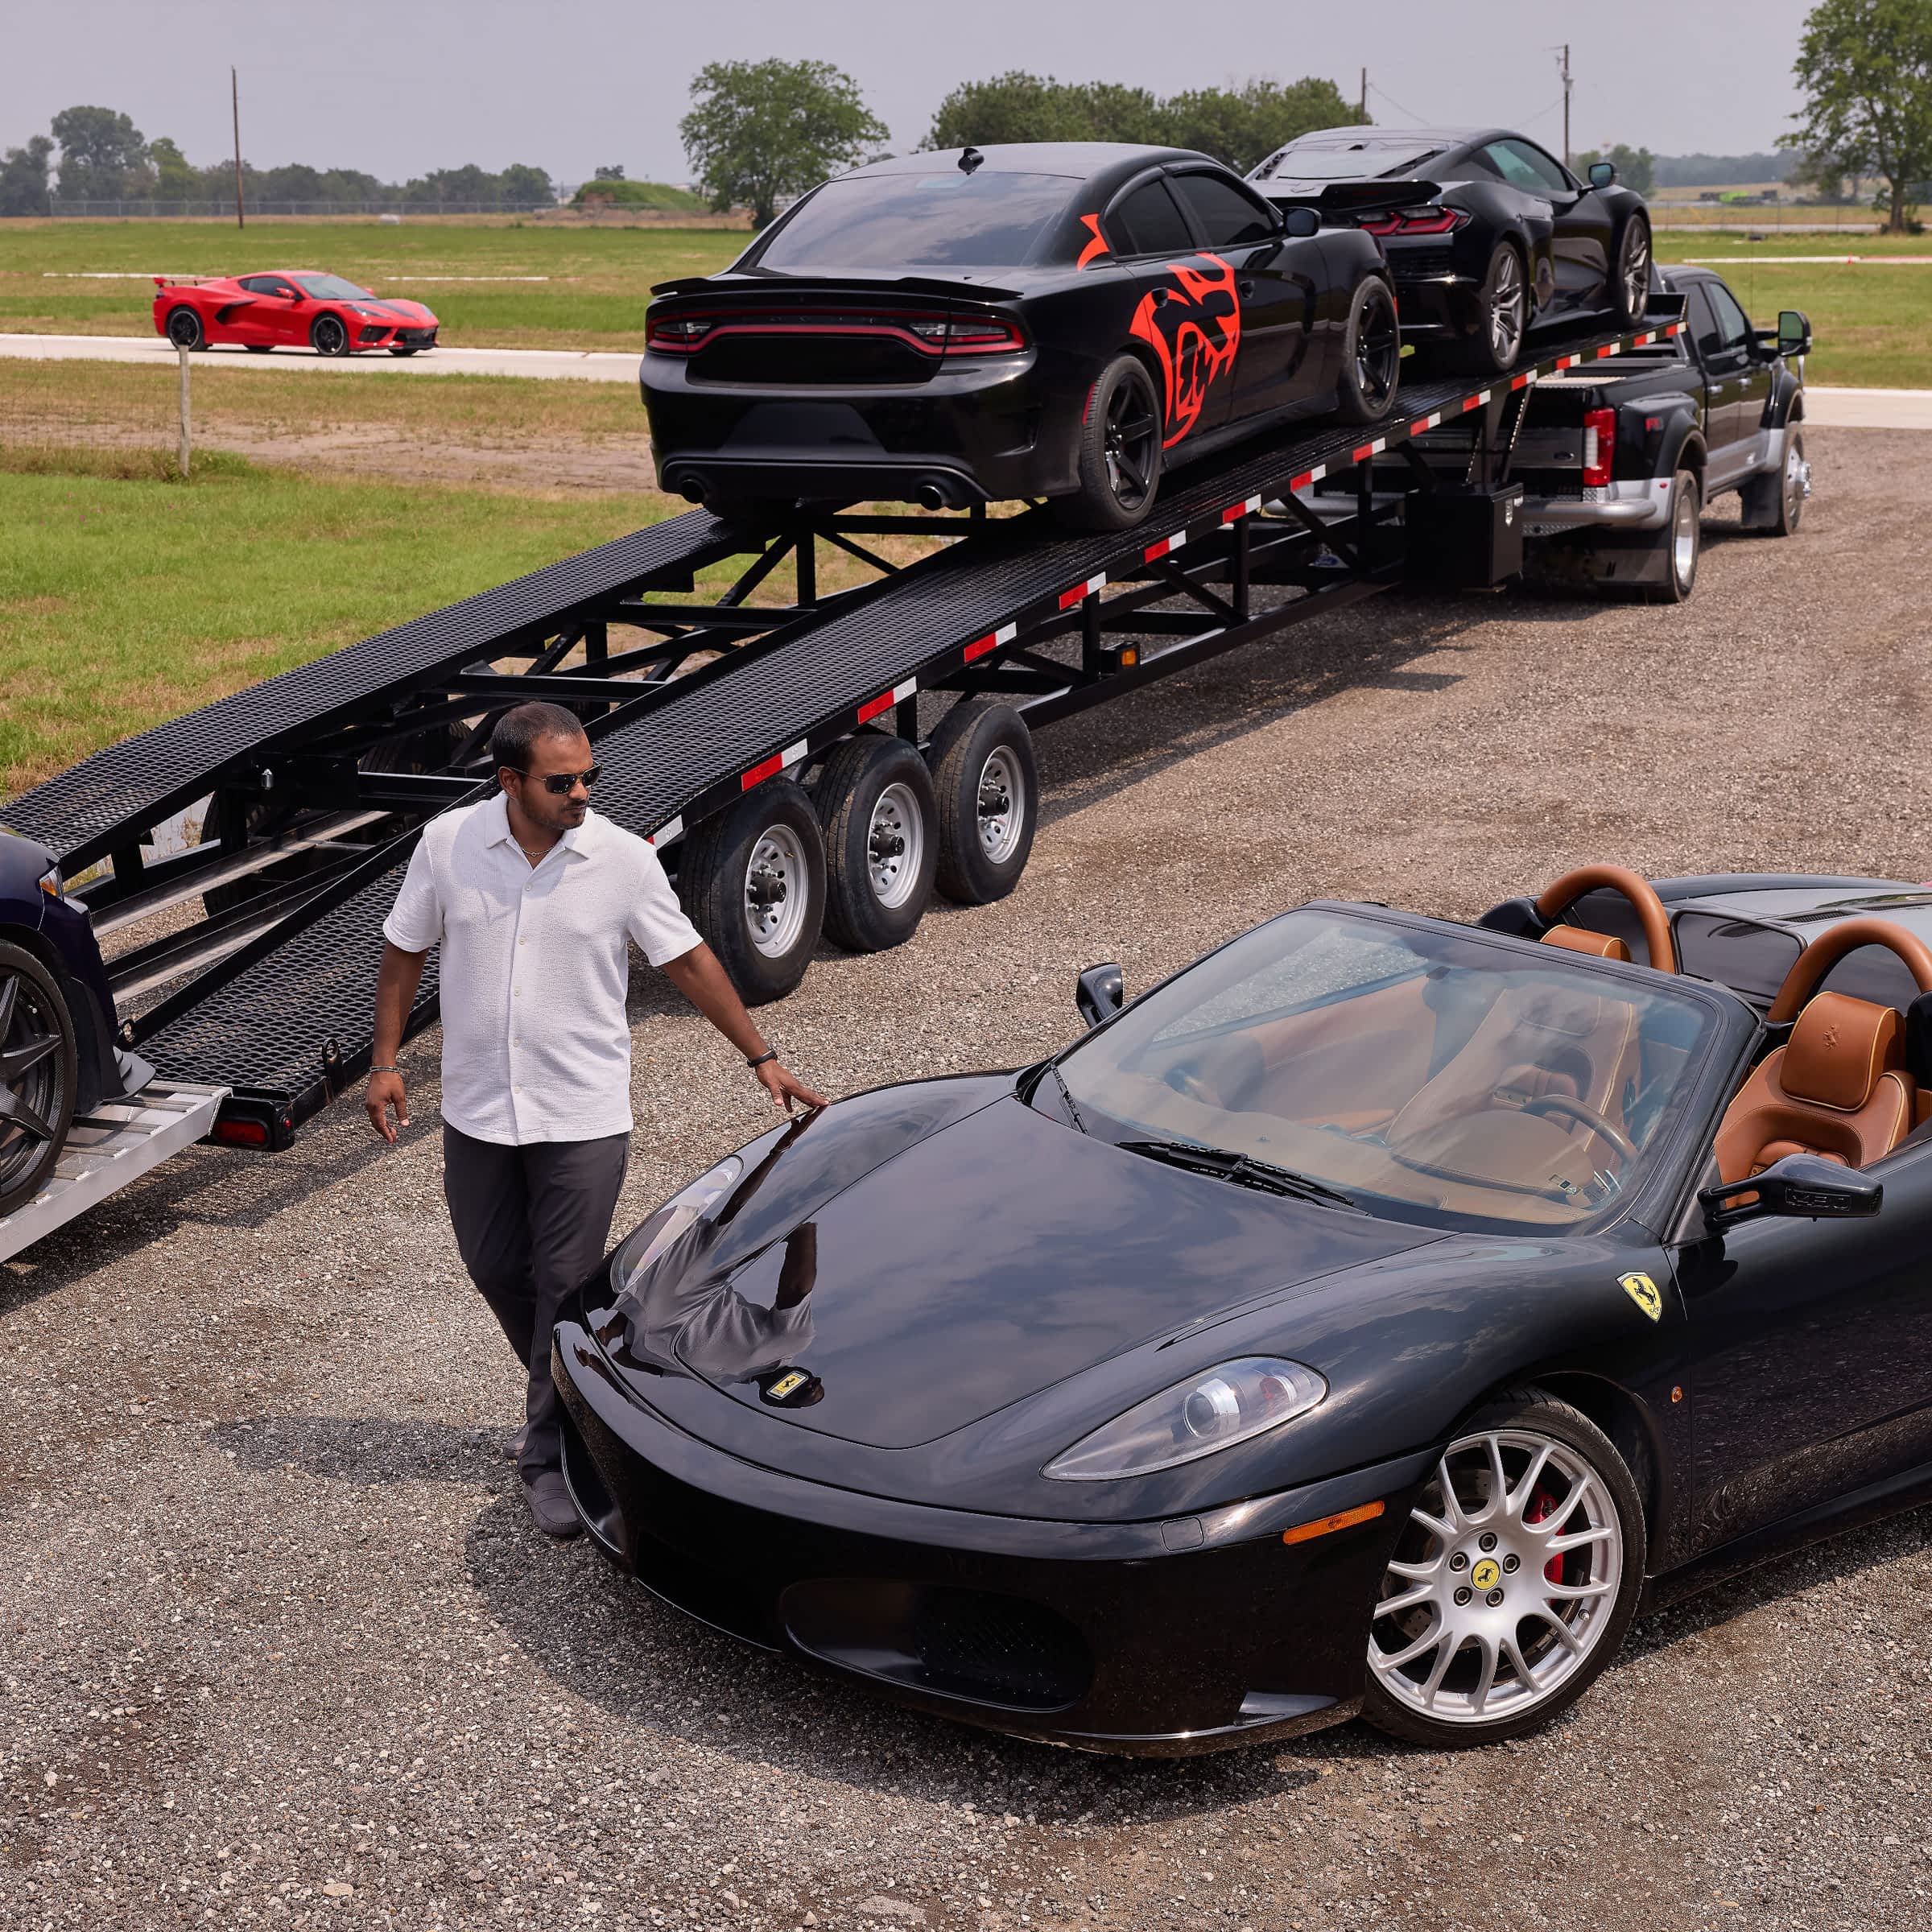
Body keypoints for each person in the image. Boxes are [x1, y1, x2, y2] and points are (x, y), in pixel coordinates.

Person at [364, 701, 825, 1538]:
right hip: (478, 1110)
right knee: (492, 1263)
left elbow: (686, 959)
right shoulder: (449, 845)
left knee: (562, 1284)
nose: (582, 792)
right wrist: (386, 1061)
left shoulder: (622, 859)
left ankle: (549, 1456)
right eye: (561, 780)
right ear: (509, 781)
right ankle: (580, 1397)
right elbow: (405, 948)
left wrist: (762, 1057)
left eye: (590, 777)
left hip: (582, 1114)